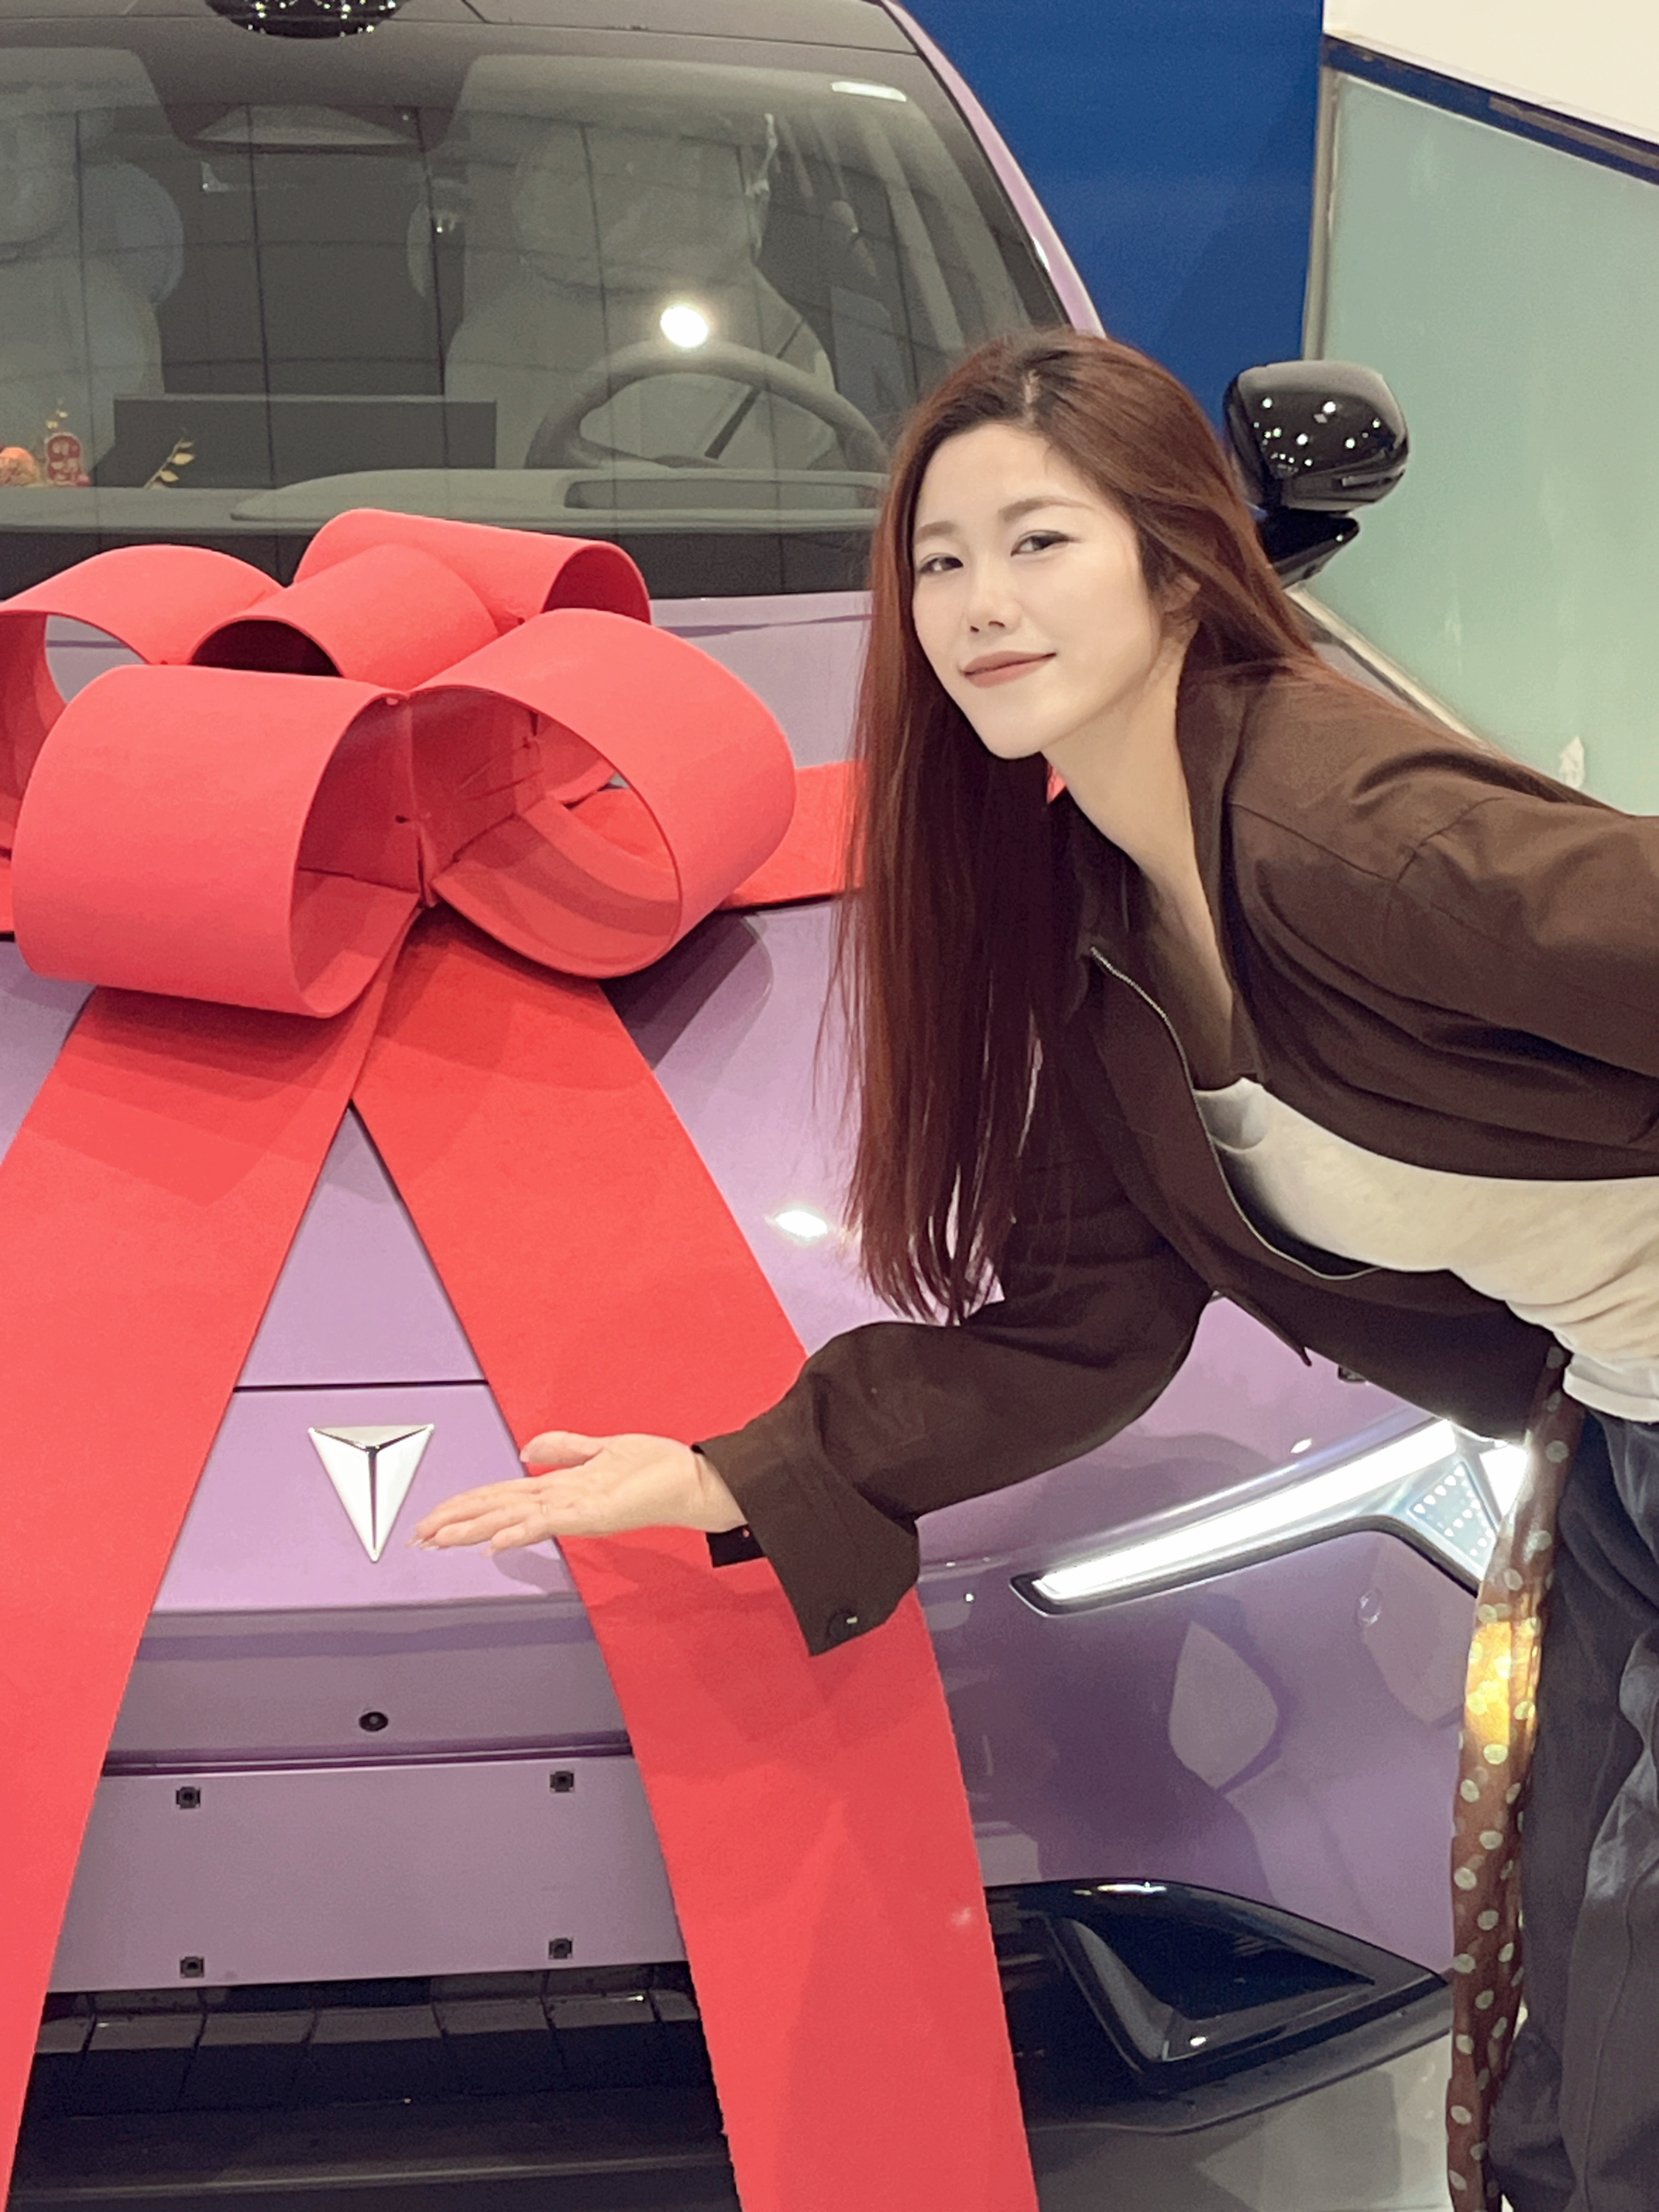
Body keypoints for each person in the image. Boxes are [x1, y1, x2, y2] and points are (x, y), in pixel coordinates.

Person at [413, 328, 1659, 2210]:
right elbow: (1090, 1319)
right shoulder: (1103, 923)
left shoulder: (1348, 829)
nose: (980, 603)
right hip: (1623, 1447)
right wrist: (742, 1472)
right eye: (940, 560)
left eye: (1039, 542)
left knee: (1635, 2063)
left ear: (1182, 562)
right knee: (1563, 2052)